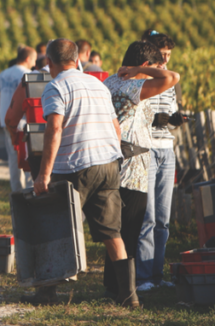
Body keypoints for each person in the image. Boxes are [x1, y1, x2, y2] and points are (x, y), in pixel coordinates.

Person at [31, 39, 136, 307]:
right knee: (112, 231)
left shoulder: (55, 86)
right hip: (108, 164)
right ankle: (129, 296)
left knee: (55, 225)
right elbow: (116, 128)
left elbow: (54, 130)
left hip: (75, 167)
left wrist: (44, 175)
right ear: (77, 59)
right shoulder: (97, 84)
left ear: (49, 63)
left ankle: (48, 293)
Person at [101, 41, 179, 300]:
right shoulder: (133, 84)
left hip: (114, 160)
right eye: (153, 66)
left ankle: (113, 284)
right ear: (143, 65)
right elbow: (172, 77)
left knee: (116, 227)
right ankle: (127, 290)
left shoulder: (112, 81)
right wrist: (138, 70)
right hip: (132, 164)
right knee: (131, 228)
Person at [137, 30, 187, 292]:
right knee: (148, 218)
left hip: (167, 149)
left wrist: (176, 120)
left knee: (163, 219)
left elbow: (170, 114)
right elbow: (136, 114)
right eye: (162, 55)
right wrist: (157, 120)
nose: (166, 60)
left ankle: (157, 276)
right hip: (146, 149)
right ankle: (143, 277)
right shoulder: (142, 77)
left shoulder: (171, 79)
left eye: (169, 55)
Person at [0, 45, 36, 191]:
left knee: (13, 158)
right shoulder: (28, 75)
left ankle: (16, 190)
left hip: (7, 122)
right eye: (34, 60)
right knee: (29, 156)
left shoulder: (4, 73)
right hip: (23, 123)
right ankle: (30, 189)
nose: (35, 64)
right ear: (28, 58)